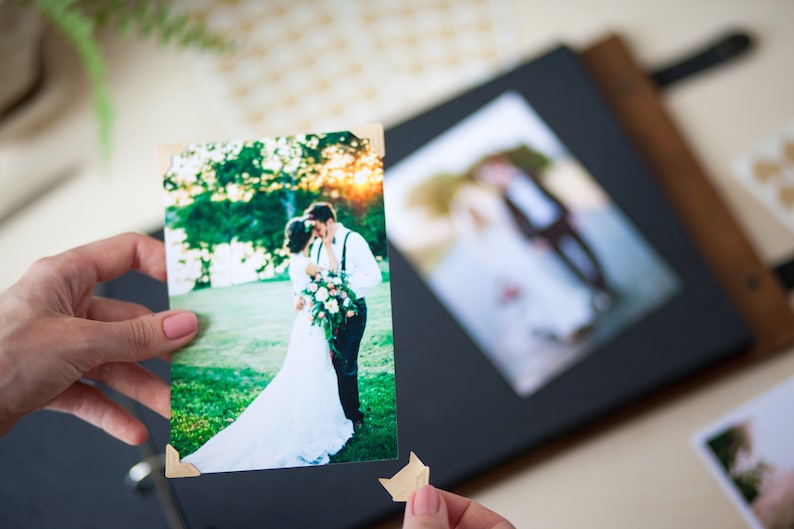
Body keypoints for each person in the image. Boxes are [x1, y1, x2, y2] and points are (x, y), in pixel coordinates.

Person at [0, 232, 515, 528]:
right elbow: (308, 290)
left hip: (310, 319)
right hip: (311, 320)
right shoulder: (303, 263)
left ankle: (333, 412)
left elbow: (308, 294)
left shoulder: (307, 262)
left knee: (311, 372)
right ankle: (326, 417)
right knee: (309, 373)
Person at [181, 217, 353, 472]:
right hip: (311, 326)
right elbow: (335, 275)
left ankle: (311, 418)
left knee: (305, 373)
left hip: (304, 323)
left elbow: (299, 293)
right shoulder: (306, 263)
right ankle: (315, 425)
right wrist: (327, 244)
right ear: (307, 237)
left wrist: (302, 299)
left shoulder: (295, 262)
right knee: (315, 373)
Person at [475, 147, 614, 311]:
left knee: (587, 250)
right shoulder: (504, 197)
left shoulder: (528, 174)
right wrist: (532, 240)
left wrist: (569, 212)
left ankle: (605, 284)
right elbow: (518, 223)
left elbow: (551, 193)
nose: (495, 177)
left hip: (559, 218)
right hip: (543, 232)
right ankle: (596, 292)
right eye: (491, 176)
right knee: (567, 263)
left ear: (503, 165)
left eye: (495, 171)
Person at [304, 202, 381, 426]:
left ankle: (352, 416)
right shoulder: (318, 246)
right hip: (327, 313)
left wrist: (343, 291)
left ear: (330, 222)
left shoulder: (353, 240)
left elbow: (373, 276)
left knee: (345, 364)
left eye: (317, 228)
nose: (315, 234)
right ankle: (335, 415)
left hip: (352, 312)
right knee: (328, 363)